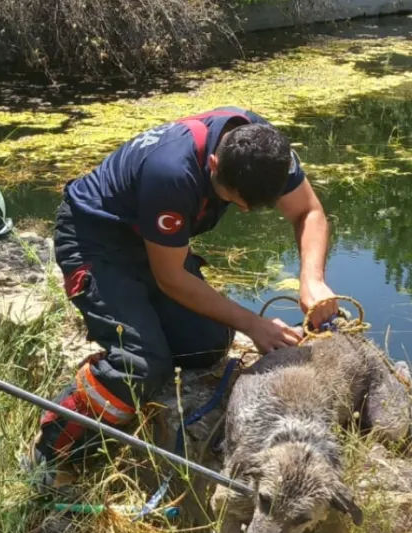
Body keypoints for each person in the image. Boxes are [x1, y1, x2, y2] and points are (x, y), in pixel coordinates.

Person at [22, 106, 339, 494]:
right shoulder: (171, 172)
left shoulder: (266, 151)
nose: (240, 209)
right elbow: (171, 278)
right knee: (139, 365)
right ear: (215, 163)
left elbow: (307, 211)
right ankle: (52, 449)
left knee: (206, 346)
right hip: (97, 239)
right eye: (233, 199)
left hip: (156, 241)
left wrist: (312, 280)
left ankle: (134, 346)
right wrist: (254, 324)